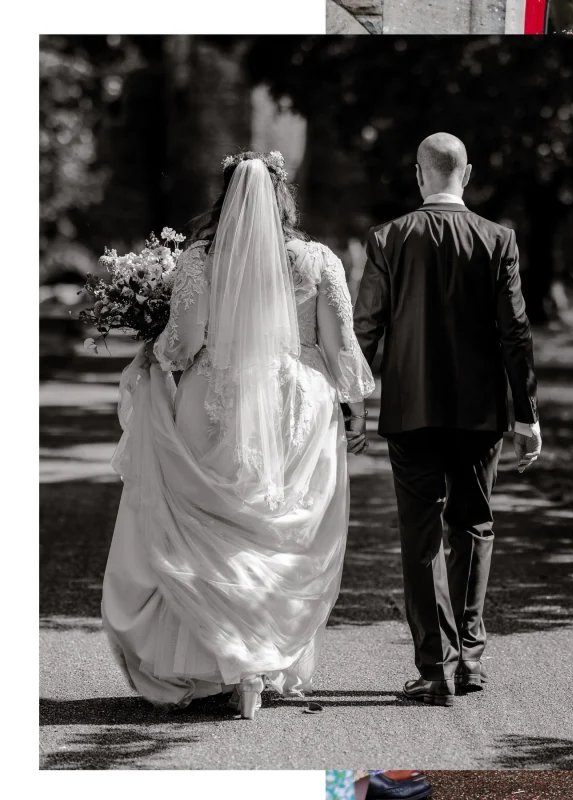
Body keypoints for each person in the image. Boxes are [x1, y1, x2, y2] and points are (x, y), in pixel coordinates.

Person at [101, 151, 375, 718]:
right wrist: (354, 409)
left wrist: (155, 351)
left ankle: (218, 661)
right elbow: (340, 348)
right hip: (296, 403)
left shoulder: (201, 258)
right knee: (278, 533)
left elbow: (183, 342)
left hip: (215, 396)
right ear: (283, 198)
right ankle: (261, 661)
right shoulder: (318, 260)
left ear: (226, 198)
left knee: (211, 528)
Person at [353, 133, 542, 708]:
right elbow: (515, 332)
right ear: (467, 172)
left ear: (419, 175)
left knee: (421, 538)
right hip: (480, 412)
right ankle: (472, 661)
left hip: (410, 411)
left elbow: (367, 328)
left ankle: (433, 670)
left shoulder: (388, 238)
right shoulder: (498, 240)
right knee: (474, 526)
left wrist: (355, 405)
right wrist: (527, 416)